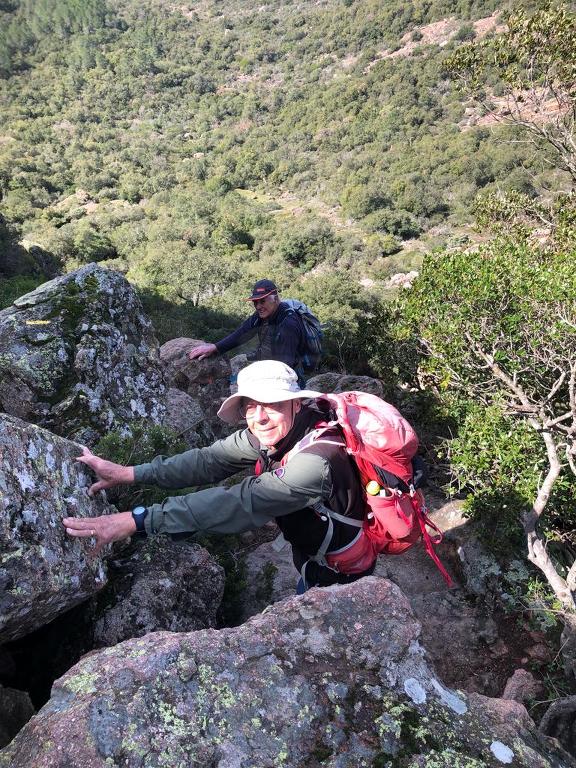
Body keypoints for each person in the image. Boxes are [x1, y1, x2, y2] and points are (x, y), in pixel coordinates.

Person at [63, 361, 375, 591]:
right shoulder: (281, 432)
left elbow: (242, 502)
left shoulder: (317, 461)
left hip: (341, 578)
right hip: (313, 557)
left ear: (296, 403)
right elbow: (209, 461)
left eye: (272, 404)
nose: (259, 417)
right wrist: (128, 473)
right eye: (251, 407)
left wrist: (136, 520)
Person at [188, 279, 306, 382]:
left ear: (275, 298)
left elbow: (286, 366)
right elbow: (242, 332)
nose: (258, 306)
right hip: (272, 367)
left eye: (262, 301)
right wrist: (215, 347)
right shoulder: (263, 314)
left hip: (290, 375)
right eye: (255, 302)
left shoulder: (289, 323)